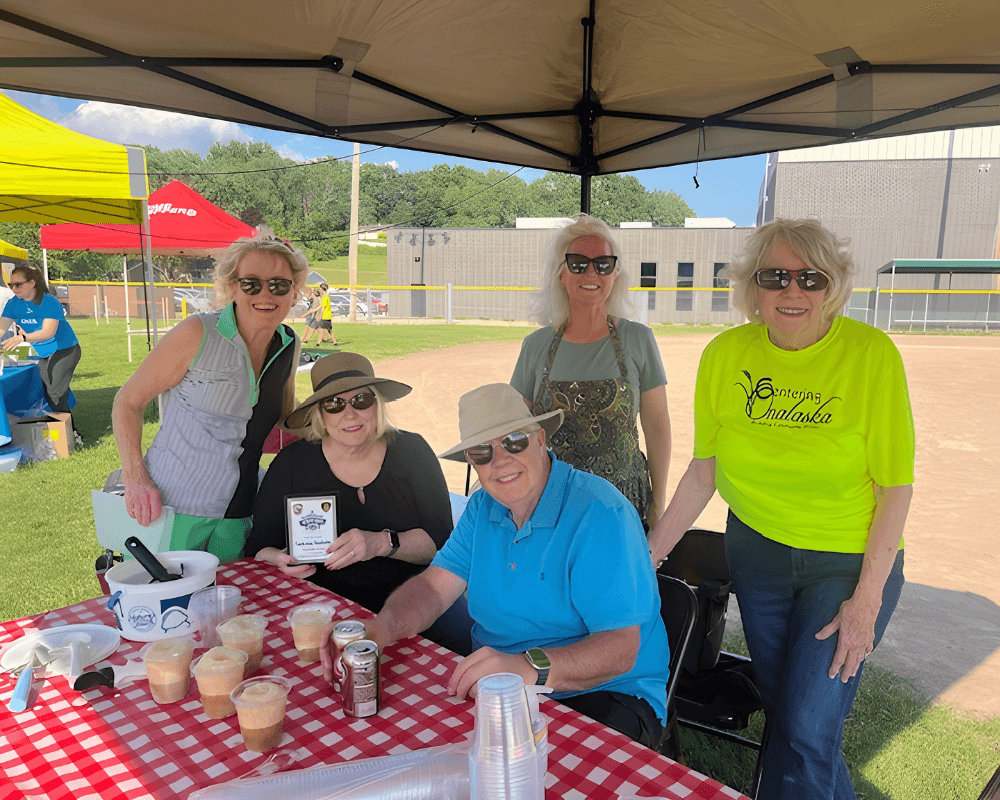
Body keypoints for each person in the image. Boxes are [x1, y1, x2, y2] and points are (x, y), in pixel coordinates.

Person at [647, 218, 914, 799]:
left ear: (834, 285)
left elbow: (896, 488)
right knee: (789, 719)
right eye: (776, 276)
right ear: (753, 286)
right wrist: (650, 555)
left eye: (810, 277)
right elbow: (704, 470)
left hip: (845, 561)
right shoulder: (724, 355)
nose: (793, 291)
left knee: (808, 727)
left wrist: (866, 601)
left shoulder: (872, 357)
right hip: (758, 553)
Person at [321, 383, 671, 748]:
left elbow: (620, 650)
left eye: (514, 441)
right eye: (482, 451)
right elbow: (433, 588)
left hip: (605, 693)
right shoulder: (482, 509)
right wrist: (382, 627)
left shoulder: (599, 513)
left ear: (539, 438)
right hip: (504, 683)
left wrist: (528, 666)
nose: (499, 460)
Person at [247, 352, 470, 652]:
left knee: (469, 651)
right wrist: (278, 560)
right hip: (323, 605)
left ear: (376, 405)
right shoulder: (292, 464)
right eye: (335, 404)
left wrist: (379, 543)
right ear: (320, 414)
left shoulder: (412, 452)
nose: (350, 414)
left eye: (361, 401)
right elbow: (259, 546)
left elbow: (441, 544)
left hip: (415, 602)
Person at [112, 232, 305, 562]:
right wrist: (135, 477)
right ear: (232, 287)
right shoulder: (197, 332)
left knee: (230, 608)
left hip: (240, 512)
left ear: (295, 293)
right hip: (174, 509)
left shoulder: (289, 344)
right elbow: (128, 401)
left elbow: (288, 417)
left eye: (279, 285)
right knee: (166, 605)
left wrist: (348, 427)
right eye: (251, 284)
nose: (265, 294)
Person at [510, 214, 670, 529]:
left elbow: (657, 427)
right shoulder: (535, 347)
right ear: (561, 274)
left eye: (604, 264)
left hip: (622, 505)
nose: (592, 272)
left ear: (615, 274)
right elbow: (516, 430)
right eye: (579, 263)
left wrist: (658, 505)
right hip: (553, 505)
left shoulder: (638, 339)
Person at [0, 265, 81, 417]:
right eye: (11, 285)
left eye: (18, 284)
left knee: (55, 392)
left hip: (64, 349)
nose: (14, 289)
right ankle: (66, 432)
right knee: (50, 392)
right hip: (43, 351)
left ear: (32, 283)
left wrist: (22, 338)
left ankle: (69, 434)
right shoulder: (13, 304)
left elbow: (48, 332)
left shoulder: (49, 302)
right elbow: (1, 328)